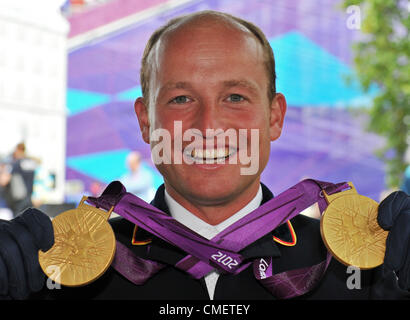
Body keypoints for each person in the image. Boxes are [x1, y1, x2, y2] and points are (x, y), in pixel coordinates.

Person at [0, 10, 409, 301]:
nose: (208, 126)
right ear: (146, 121)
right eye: (180, 98)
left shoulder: (365, 273)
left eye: (235, 97)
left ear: (274, 117)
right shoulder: (54, 273)